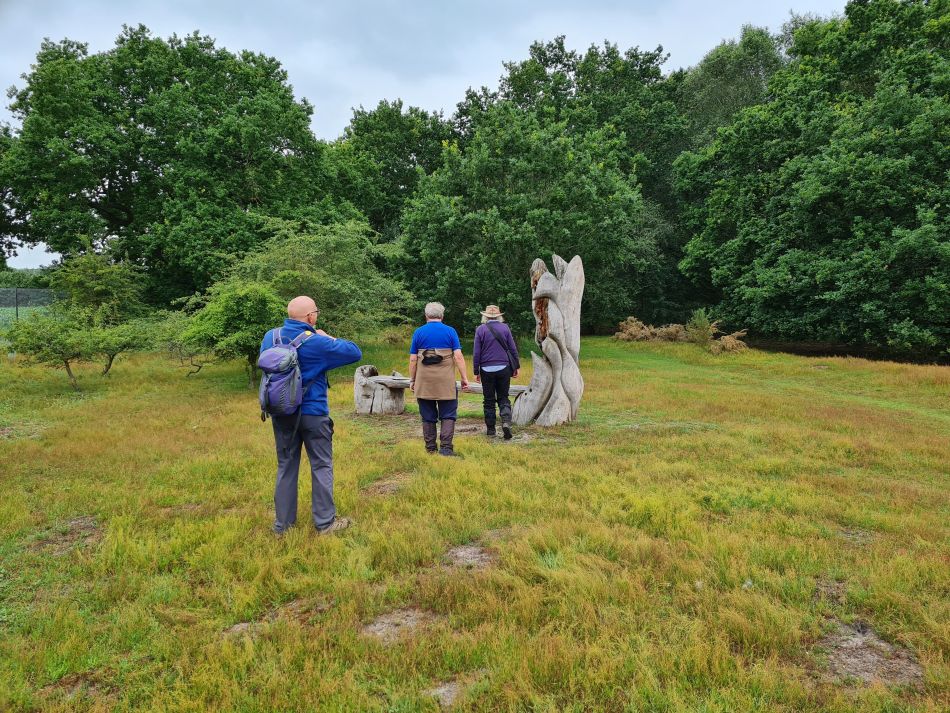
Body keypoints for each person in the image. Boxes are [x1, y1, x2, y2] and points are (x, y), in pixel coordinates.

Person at [260, 296, 362, 535]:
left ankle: (282, 526)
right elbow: (354, 352)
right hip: (313, 413)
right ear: (310, 317)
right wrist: (327, 337)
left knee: (286, 466)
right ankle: (325, 523)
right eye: (316, 312)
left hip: (281, 412)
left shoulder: (270, 337)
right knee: (321, 465)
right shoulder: (316, 342)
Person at [408, 302, 469, 456]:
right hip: (446, 381)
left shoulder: (419, 332)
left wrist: (412, 380)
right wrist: (464, 378)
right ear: (442, 315)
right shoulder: (450, 332)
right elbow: (458, 357)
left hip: (424, 381)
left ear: (426, 315)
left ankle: (430, 449)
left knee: (427, 415)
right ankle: (446, 448)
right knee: (448, 414)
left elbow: (413, 359)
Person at [472, 304, 520, 439]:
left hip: (486, 369)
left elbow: (476, 353)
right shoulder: (505, 328)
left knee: (488, 400)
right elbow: (512, 348)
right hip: (504, 368)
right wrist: (515, 366)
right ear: (499, 316)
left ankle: (491, 429)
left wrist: (476, 371)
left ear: (485, 316)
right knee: (504, 397)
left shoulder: (480, 330)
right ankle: (505, 422)